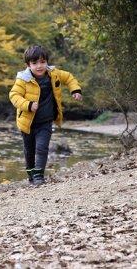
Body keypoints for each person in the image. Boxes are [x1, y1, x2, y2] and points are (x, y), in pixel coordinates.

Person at [9, 45, 83, 186]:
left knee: (42, 148)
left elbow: (68, 78)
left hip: (45, 121)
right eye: (35, 63)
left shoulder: (53, 74)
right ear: (28, 65)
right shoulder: (23, 79)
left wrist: (75, 90)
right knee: (29, 150)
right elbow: (14, 95)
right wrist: (28, 104)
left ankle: (39, 176)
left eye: (42, 62)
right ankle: (31, 175)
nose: (39, 66)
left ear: (47, 62)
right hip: (27, 123)